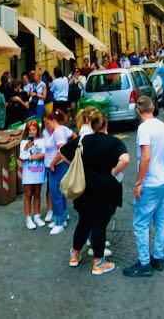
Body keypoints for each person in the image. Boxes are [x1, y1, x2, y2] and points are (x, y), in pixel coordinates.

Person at [63, 111, 130, 276]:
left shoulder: (82, 141)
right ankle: (98, 263)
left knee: (84, 222)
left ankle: (74, 255)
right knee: (99, 225)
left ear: (91, 125)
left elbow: (62, 152)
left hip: (84, 191)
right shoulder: (113, 142)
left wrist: (76, 166)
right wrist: (113, 171)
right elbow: (126, 159)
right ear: (106, 124)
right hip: (106, 191)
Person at [124, 96, 164, 277]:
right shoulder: (162, 126)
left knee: (141, 224)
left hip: (150, 182)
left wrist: (139, 181)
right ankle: (158, 257)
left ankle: (144, 263)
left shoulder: (143, 129)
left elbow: (146, 156)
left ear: (138, 111)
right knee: (161, 220)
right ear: (153, 108)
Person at [42, 110, 74, 234]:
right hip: (58, 166)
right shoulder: (59, 131)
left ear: (53, 121)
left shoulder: (58, 132)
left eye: (47, 122)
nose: (46, 125)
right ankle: (61, 218)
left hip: (57, 167)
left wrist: (53, 163)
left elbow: (62, 150)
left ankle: (59, 223)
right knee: (60, 194)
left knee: (56, 194)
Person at [19, 120, 47, 229]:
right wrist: (26, 148)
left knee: (37, 193)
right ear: (27, 131)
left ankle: (37, 216)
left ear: (37, 130)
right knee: (28, 194)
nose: (31, 132)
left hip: (39, 172)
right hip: (28, 173)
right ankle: (28, 218)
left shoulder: (42, 141)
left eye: (34, 129)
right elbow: (22, 157)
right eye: (29, 130)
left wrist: (31, 157)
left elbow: (44, 154)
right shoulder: (23, 143)